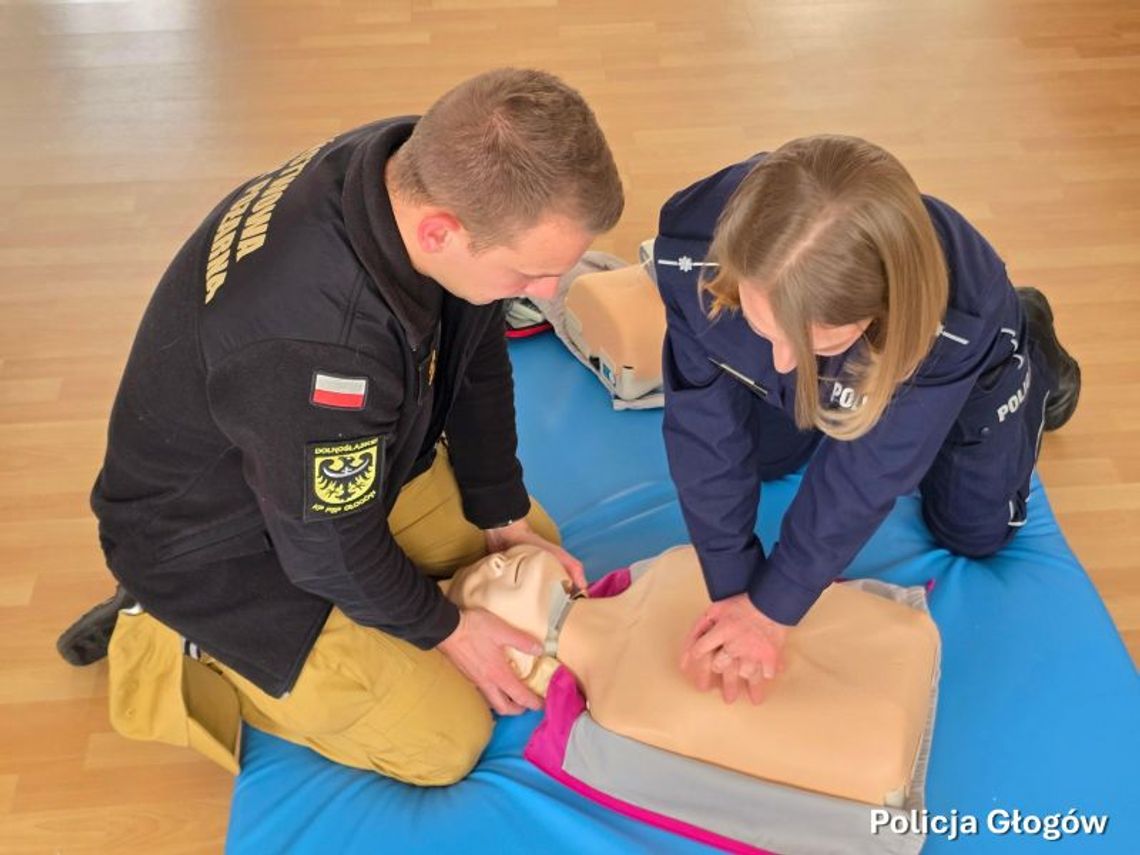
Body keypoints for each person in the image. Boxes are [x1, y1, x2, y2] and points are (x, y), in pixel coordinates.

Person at [58, 68, 624, 785]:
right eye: (529, 273)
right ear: (441, 232)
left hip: (327, 464)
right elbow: (327, 547)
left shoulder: (414, 167)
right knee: (445, 737)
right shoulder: (320, 346)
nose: (547, 293)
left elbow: (476, 350)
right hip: (211, 546)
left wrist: (499, 507)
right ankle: (170, 632)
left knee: (531, 547)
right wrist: (450, 630)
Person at [654, 135, 1080, 705]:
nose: (781, 362)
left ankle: (1032, 342)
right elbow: (702, 424)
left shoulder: (951, 321)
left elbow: (865, 473)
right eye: (764, 324)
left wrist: (772, 609)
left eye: (811, 340)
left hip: (965, 362)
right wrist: (733, 589)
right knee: (765, 455)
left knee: (977, 533)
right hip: (849, 338)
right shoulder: (689, 248)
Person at [445, 543, 940, 807]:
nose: (494, 562)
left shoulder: (667, 566)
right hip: (871, 750)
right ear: (508, 666)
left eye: (495, 559)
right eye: (480, 589)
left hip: (900, 648)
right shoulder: (620, 712)